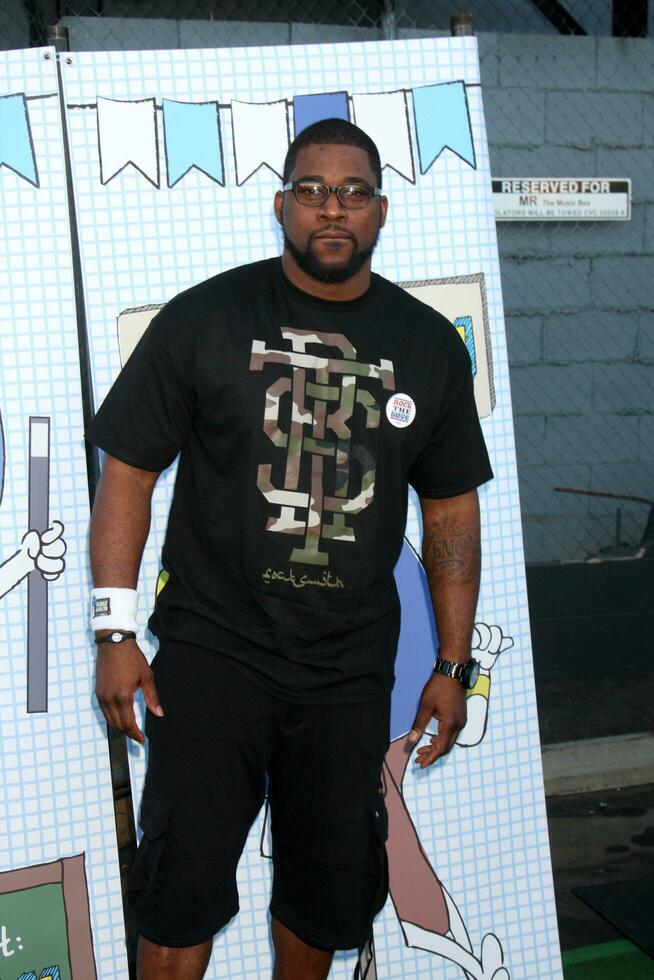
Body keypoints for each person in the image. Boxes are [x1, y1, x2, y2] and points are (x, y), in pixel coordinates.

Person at [87, 117, 493, 980]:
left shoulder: (426, 346)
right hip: (211, 654)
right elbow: (127, 470)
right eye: (312, 190)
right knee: (179, 886)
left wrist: (454, 668)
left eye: (353, 192)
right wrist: (116, 634)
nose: (332, 209)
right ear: (281, 205)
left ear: (381, 211)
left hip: (347, 673)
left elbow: (451, 514)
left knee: (327, 896)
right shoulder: (207, 317)